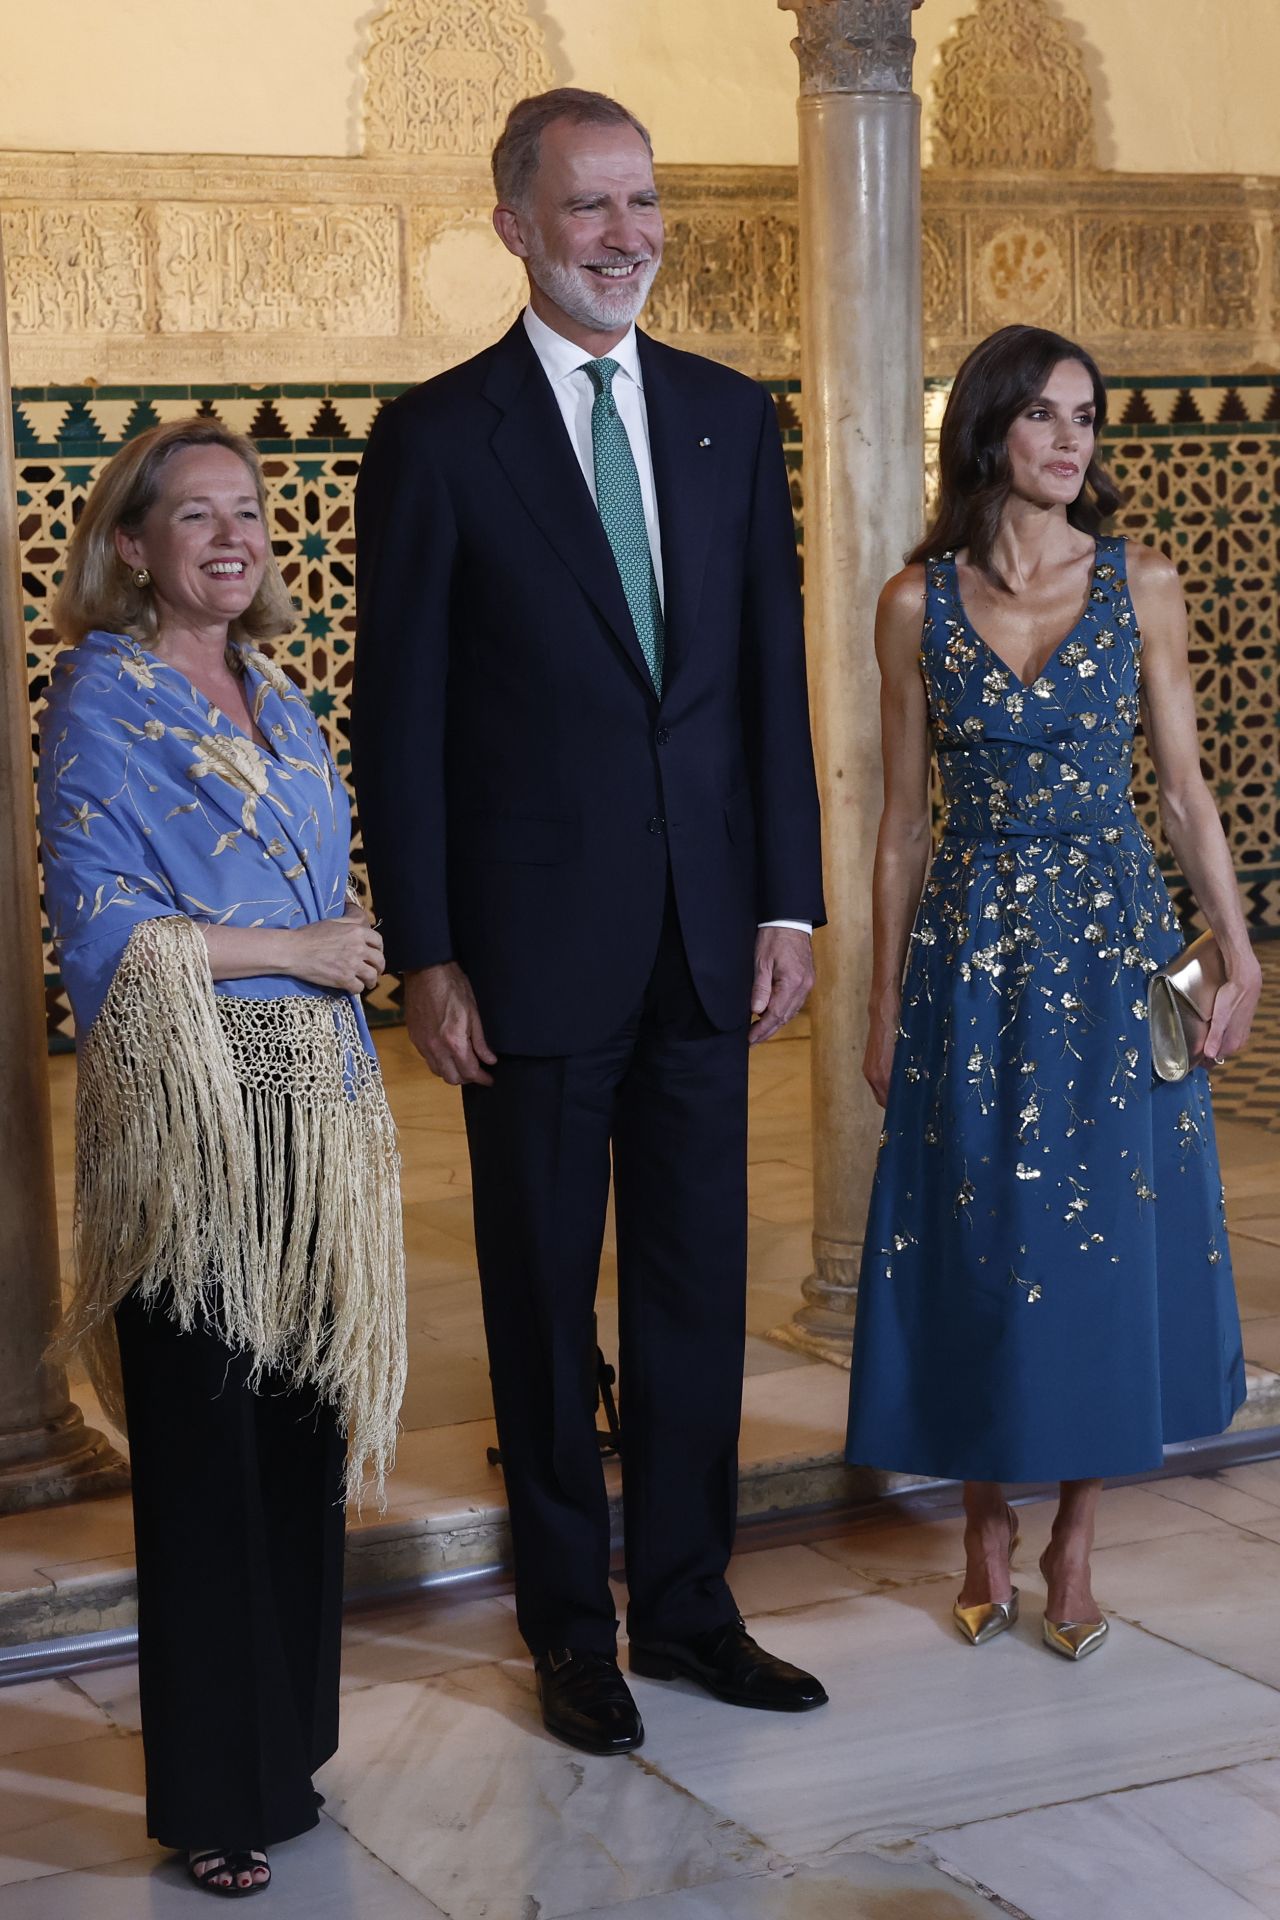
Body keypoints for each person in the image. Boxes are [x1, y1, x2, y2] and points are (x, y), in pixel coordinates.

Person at [353, 88, 827, 1754]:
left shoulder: (724, 414)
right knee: (547, 1306)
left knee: (695, 1295)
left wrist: (788, 899)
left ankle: (694, 1609)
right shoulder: (435, 437)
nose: (626, 236)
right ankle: (572, 1633)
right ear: (515, 228)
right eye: (588, 211)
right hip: (531, 952)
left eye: (643, 204)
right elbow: (395, 713)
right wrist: (424, 947)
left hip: (711, 936)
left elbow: (764, 674)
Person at [846, 324, 1259, 1659]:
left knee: (1105, 1231)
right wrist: (878, 1001)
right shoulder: (916, 604)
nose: (1073, 440)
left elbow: (1187, 790)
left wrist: (1235, 948)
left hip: (1117, 945)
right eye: (1044, 417)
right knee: (982, 1227)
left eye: (1087, 417)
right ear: (988, 434)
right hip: (968, 955)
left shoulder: (1144, 583)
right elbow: (901, 824)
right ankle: (982, 1517)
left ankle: (1077, 1535)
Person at [38, 420, 407, 1896]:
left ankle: (281, 1753)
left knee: (297, 1443)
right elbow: (103, 932)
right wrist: (297, 949)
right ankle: (209, 1794)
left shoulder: (282, 696)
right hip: (192, 1121)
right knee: (202, 1456)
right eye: (196, 516)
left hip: (316, 1109)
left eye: (247, 512)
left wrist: (342, 957)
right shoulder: (100, 701)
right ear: (132, 546)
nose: (232, 536)